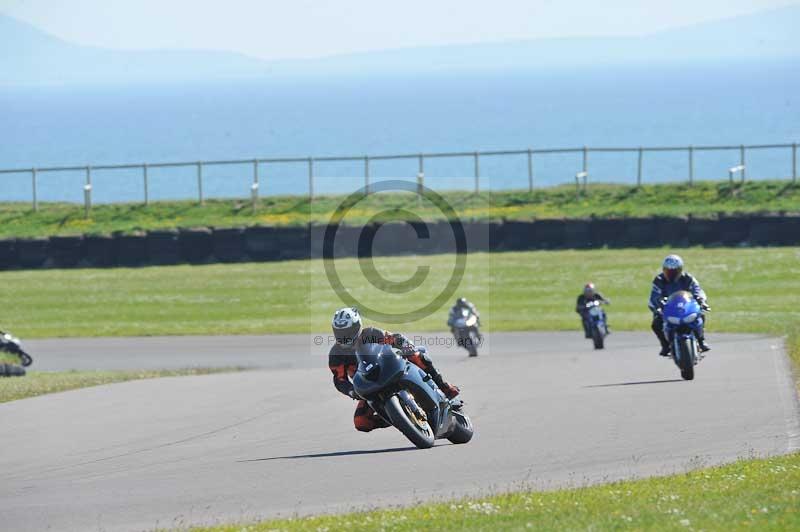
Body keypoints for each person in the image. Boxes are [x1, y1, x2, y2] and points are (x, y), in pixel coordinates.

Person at [328, 307, 460, 432]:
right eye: (339, 332)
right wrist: (351, 391)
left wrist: (405, 346)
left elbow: (395, 338)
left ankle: (443, 386)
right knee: (361, 422)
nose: (344, 335)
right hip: (368, 385)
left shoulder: (370, 333)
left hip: (390, 368)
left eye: (347, 331)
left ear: (357, 327)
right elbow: (340, 380)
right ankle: (399, 419)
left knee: (417, 356)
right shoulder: (336, 354)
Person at [648, 254, 711, 357]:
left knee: (700, 315)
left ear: (680, 270)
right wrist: (657, 306)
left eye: (674, 271)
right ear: (664, 270)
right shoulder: (659, 280)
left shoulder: (688, 278)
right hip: (668, 308)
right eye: (668, 271)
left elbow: (697, 290)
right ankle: (665, 345)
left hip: (685, 306)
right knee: (656, 324)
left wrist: (701, 301)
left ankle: (701, 340)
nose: (671, 274)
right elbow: (654, 295)